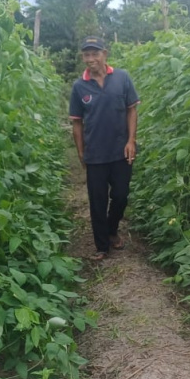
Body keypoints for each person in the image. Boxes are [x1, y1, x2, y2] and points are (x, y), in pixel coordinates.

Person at [69, 36, 139, 261]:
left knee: (120, 196)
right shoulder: (79, 87)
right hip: (96, 154)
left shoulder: (122, 78)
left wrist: (131, 141)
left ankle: (111, 230)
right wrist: (81, 152)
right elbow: (77, 123)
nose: (91, 59)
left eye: (95, 54)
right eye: (86, 55)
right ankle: (101, 246)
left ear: (104, 54)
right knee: (97, 201)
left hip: (121, 151)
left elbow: (132, 110)